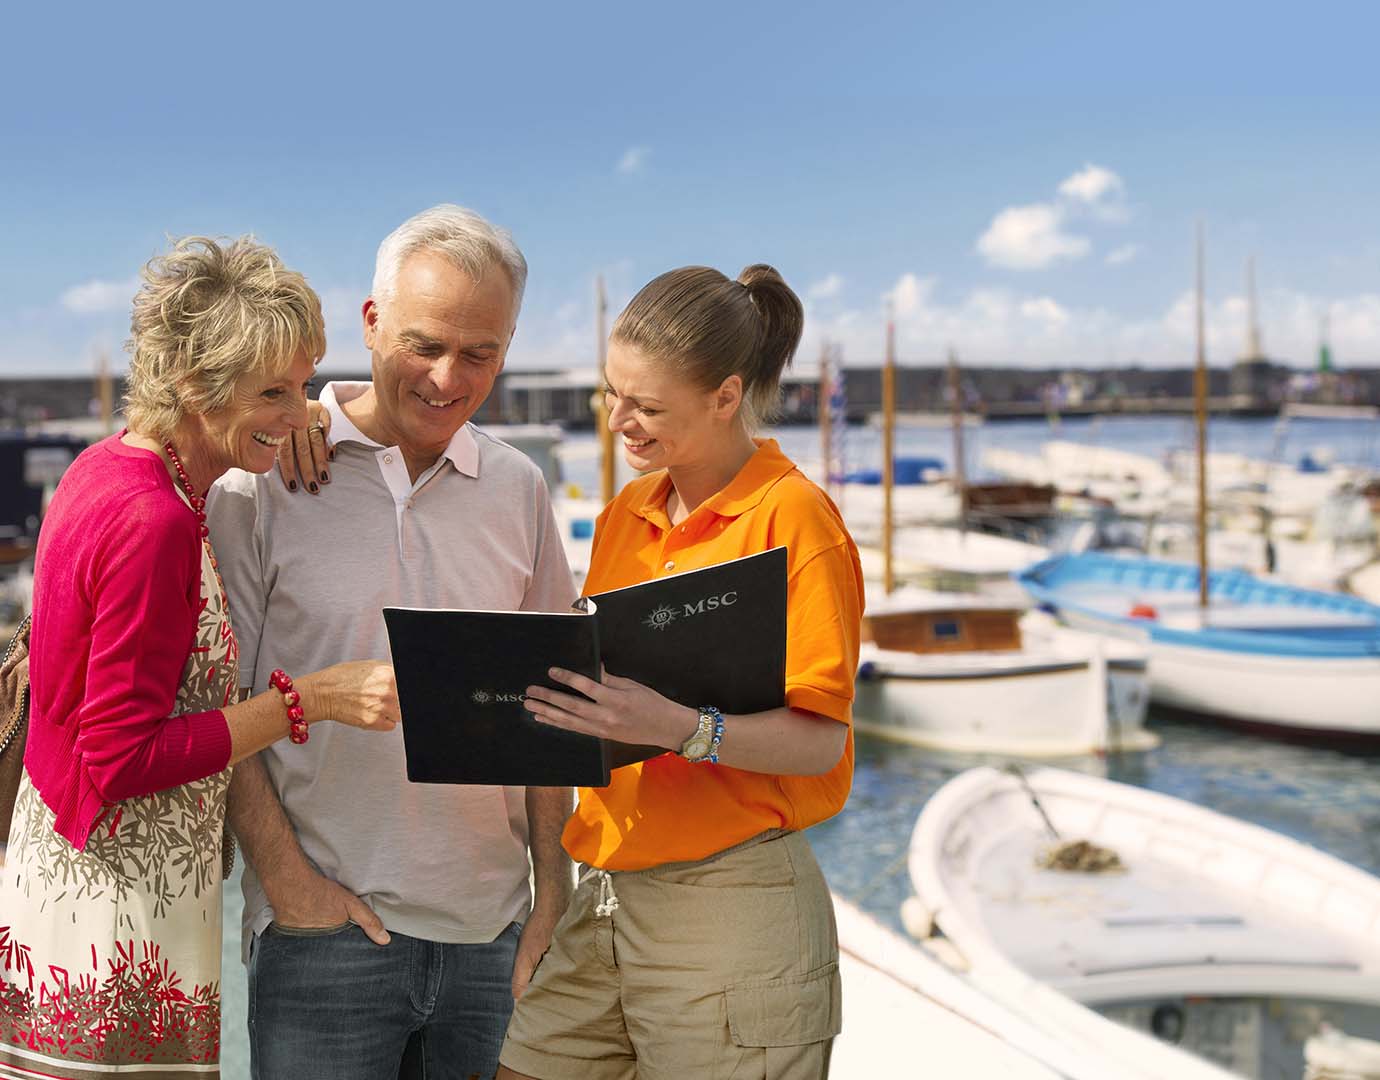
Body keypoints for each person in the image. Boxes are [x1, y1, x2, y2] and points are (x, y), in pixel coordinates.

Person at [0, 236, 398, 1079]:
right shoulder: (156, 523)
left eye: (305, 386)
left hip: (59, 879)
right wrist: (311, 700)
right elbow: (118, 757)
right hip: (115, 923)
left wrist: (297, 415)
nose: (299, 414)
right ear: (191, 382)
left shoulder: (106, 467)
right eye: (273, 391)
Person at [205, 204, 577, 1080]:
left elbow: (554, 702)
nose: (448, 378)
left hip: (493, 940)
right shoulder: (261, 482)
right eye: (425, 345)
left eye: (480, 353)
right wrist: (289, 887)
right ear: (371, 323)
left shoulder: (519, 489)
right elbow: (217, 706)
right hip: (319, 941)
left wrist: (551, 890)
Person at [496, 264, 864, 1080]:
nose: (617, 421)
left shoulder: (796, 519)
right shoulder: (625, 514)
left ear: (726, 397)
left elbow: (821, 744)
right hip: (605, 888)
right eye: (611, 393)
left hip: (734, 905)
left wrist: (679, 728)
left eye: (647, 407)